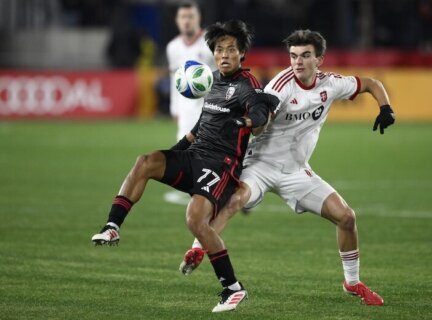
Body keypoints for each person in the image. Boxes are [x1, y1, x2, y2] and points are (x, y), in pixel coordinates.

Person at [179, 29, 396, 306]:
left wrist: (385, 108)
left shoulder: (331, 84)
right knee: (234, 201)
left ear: (319, 59)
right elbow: (261, 118)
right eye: (293, 56)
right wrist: (258, 121)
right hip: (260, 165)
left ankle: (352, 283)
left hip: (296, 171)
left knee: (347, 217)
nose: (298, 62)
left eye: (305, 55)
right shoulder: (280, 86)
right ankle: (198, 249)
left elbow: (372, 83)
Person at [92, 19, 276, 313]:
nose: (224, 55)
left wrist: (244, 120)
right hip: (196, 155)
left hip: (221, 166)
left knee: (194, 220)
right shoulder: (211, 80)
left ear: (242, 54)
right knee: (146, 161)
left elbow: (259, 118)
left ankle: (233, 288)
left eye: (231, 49)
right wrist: (173, 152)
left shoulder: (247, 85)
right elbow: (200, 126)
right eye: (219, 49)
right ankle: (112, 226)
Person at [166, 1, 215, 141]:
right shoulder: (173, 47)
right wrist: (174, 108)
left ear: (198, 18)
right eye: (183, 17)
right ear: (177, 20)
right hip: (186, 110)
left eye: (190, 16)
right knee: (184, 156)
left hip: (211, 109)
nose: (186, 21)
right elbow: (174, 79)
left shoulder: (211, 43)